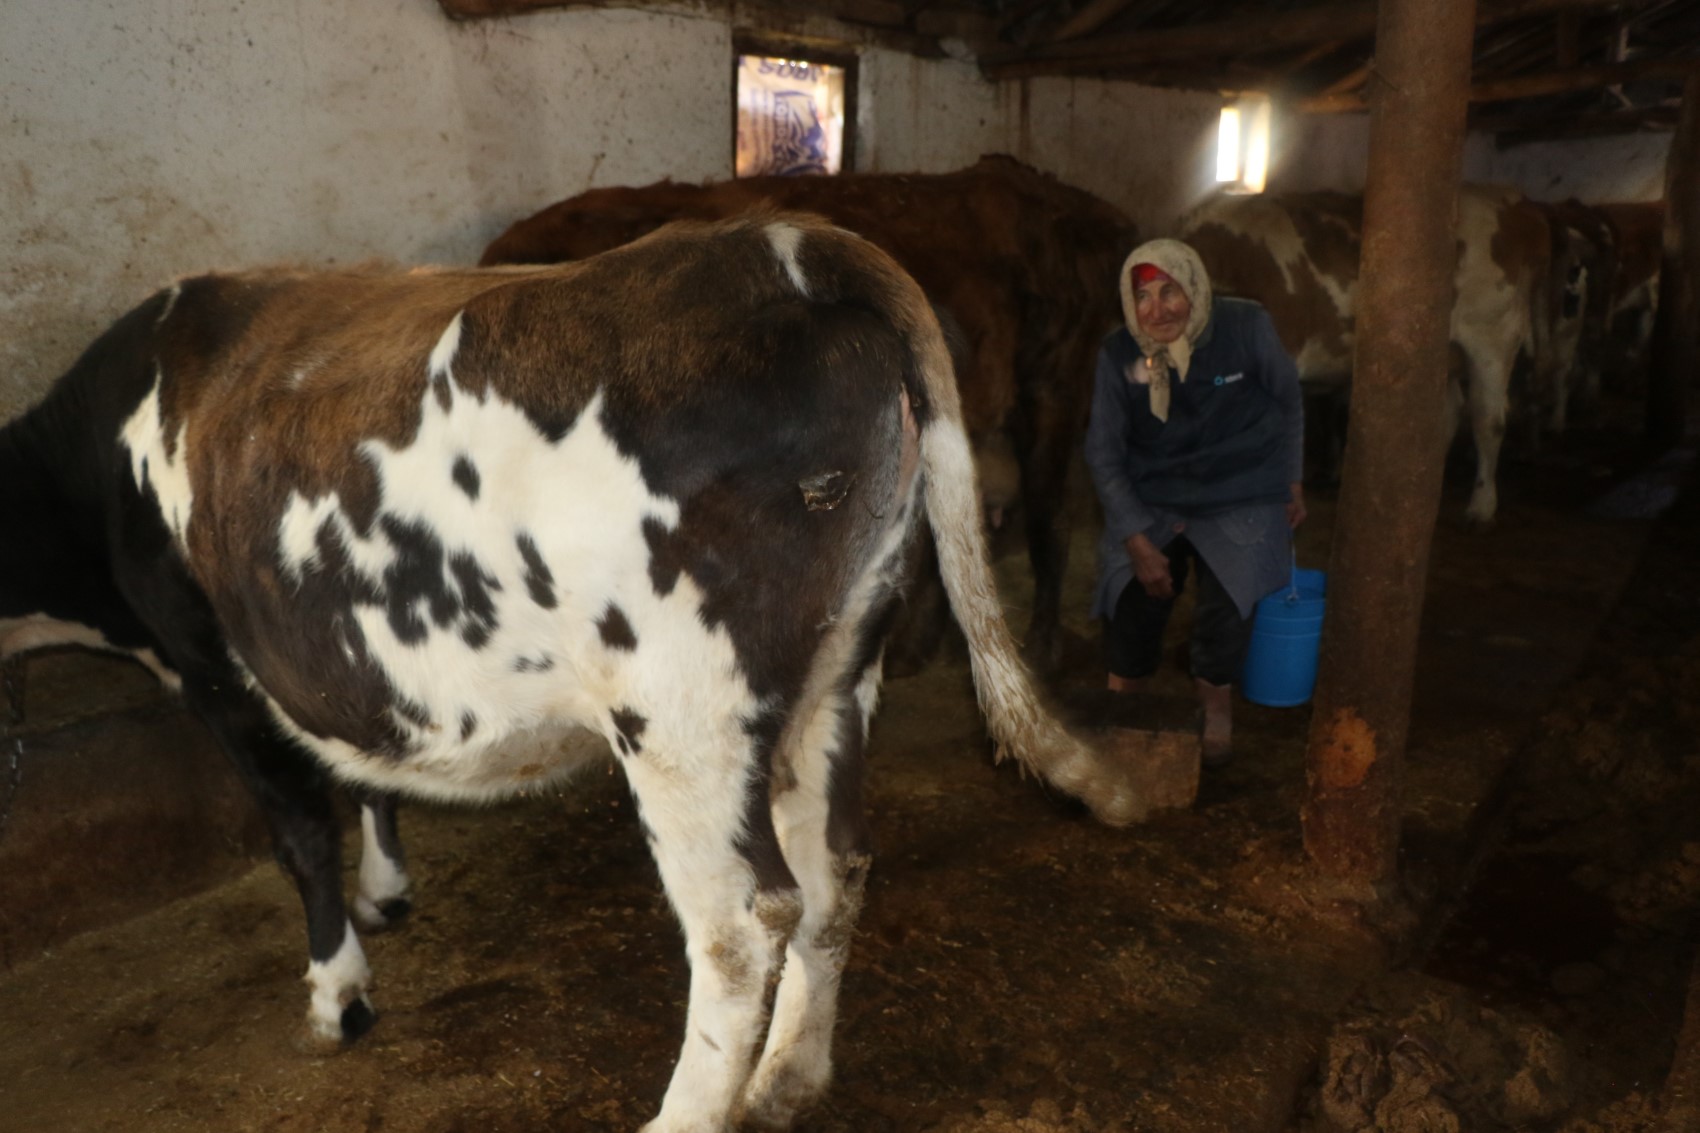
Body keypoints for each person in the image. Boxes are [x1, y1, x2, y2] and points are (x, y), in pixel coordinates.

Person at [1083, 238, 1306, 767]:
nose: (1156, 309)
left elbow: (1288, 398)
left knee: (1226, 607)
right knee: (1130, 603)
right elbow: (1103, 452)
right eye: (1143, 297)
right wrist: (1136, 538)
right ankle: (1124, 713)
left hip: (1239, 489)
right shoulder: (1118, 355)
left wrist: (1290, 481)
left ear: (1196, 289)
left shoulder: (1246, 328)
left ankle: (1215, 709)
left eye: (1170, 291)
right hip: (1153, 499)